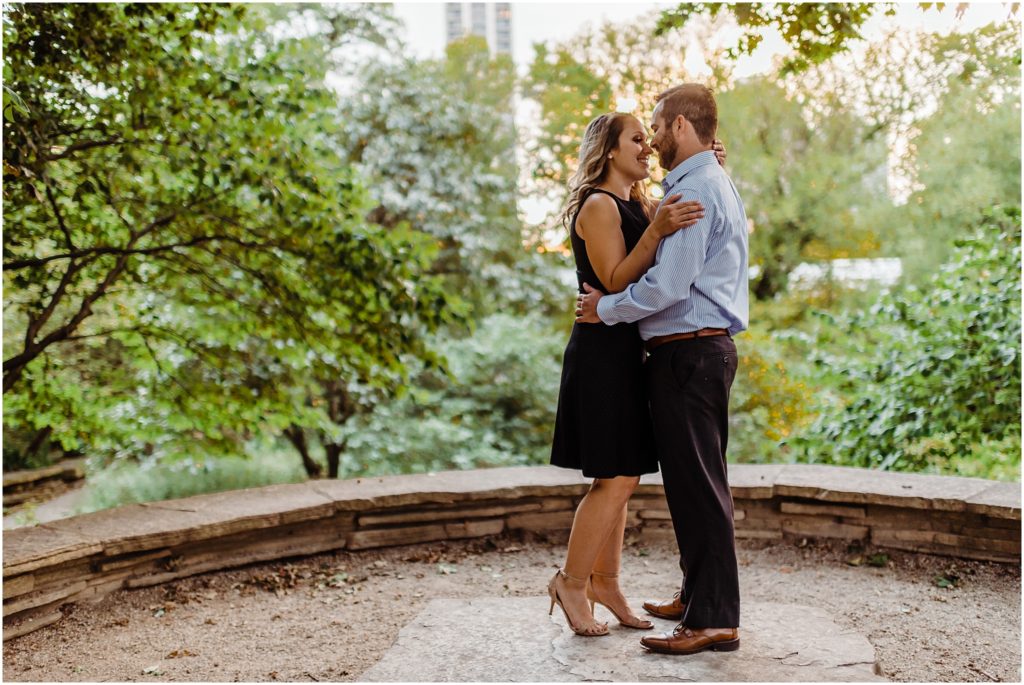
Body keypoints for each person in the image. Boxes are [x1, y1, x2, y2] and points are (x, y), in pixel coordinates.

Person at [575, 84, 749, 655]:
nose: (649, 139)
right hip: (681, 354)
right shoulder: (694, 183)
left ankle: (714, 618)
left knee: (699, 489)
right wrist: (706, 163)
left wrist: (606, 308)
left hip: (689, 352)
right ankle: (698, 598)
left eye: (654, 126)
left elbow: (669, 284)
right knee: (693, 487)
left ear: (678, 125)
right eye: (636, 134)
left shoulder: (695, 187)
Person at [547, 111, 724, 637]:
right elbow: (616, 278)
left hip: (627, 353)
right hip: (601, 356)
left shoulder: (634, 204)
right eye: (637, 140)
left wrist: (708, 165)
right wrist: (659, 231)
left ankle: (607, 581)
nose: (646, 148)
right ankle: (571, 582)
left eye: (648, 140)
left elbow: (661, 237)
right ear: (608, 150)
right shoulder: (598, 206)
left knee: (622, 475)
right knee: (616, 477)